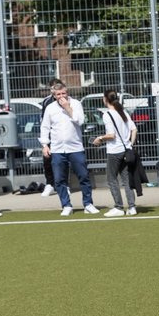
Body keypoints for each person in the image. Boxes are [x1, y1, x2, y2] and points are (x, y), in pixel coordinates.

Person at [40, 85, 96, 215]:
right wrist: (45, 145)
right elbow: (45, 128)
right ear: (54, 96)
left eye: (63, 93)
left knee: (83, 176)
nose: (61, 96)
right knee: (59, 179)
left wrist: (67, 108)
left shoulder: (76, 104)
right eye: (58, 94)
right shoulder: (50, 108)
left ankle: (88, 204)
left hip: (75, 147)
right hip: (58, 149)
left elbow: (80, 121)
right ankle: (66, 205)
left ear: (67, 93)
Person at [92, 90, 138, 216]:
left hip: (114, 151)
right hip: (125, 150)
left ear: (106, 99)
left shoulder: (107, 115)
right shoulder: (123, 112)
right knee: (126, 179)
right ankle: (132, 207)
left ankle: (118, 207)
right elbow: (134, 130)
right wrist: (130, 144)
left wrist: (100, 138)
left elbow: (111, 135)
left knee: (111, 179)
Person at [38, 79, 63, 197]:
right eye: (53, 87)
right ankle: (50, 184)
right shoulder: (46, 102)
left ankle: (63, 185)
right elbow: (44, 121)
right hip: (50, 136)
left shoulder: (67, 101)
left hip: (61, 136)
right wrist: (44, 142)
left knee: (62, 161)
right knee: (47, 160)